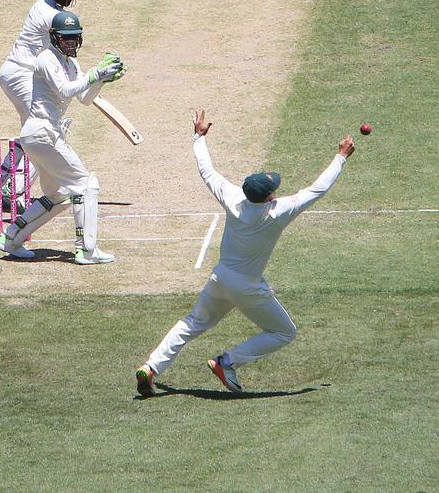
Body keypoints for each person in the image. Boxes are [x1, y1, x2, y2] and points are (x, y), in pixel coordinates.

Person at [135, 109, 355, 396]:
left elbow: (207, 172)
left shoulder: (234, 197)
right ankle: (227, 362)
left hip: (220, 279)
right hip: (248, 287)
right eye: (273, 190)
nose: (276, 191)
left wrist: (198, 137)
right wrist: (341, 157)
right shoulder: (277, 212)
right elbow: (317, 190)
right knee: (284, 333)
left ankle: (151, 368)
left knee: (192, 323)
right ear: (267, 198)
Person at [0, 11, 126, 265]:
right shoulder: (45, 58)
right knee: (85, 184)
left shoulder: (71, 64)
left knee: (58, 195)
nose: (70, 42)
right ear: (54, 37)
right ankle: (87, 250)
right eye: (65, 38)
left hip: (42, 135)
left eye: (74, 37)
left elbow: (84, 98)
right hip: (41, 132)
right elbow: (64, 89)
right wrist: (95, 74)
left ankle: (11, 238)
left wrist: (102, 80)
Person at [0, 0, 81, 208]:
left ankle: (1, 177)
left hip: (19, 74)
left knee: (35, 131)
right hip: (21, 75)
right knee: (43, 131)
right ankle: (12, 189)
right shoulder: (51, 15)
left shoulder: (48, 7)